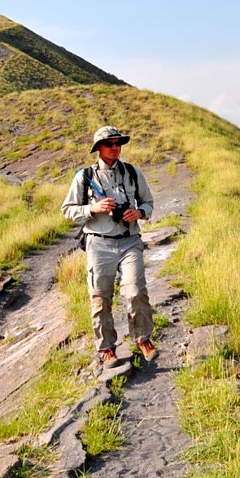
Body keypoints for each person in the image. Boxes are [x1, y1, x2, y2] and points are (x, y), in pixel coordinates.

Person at [61, 126, 158, 369]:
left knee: (135, 291)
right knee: (100, 297)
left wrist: (140, 212)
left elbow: (148, 201)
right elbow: (67, 210)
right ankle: (106, 348)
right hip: (98, 244)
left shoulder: (133, 172)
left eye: (118, 143)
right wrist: (91, 209)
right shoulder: (84, 177)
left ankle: (143, 339)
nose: (115, 147)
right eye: (109, 144)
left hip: (129, 241)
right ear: (99, 148)